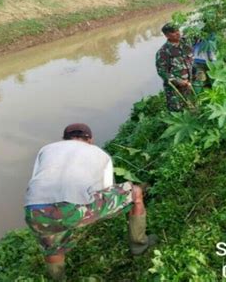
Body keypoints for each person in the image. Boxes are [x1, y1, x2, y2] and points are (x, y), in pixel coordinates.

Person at [24, 123, 157, 280]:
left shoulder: (45, 150)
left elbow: (35, 181)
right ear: (90, 140)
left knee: (52, 246)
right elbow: (106, 189)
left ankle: (58, 278)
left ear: (63, 139)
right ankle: (139, 246)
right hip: (75, 208)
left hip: (34, 210)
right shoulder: (100, 154)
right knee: (136, 193)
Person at [155, 23, 194, 111]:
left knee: (192, 107)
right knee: (177, 111)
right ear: (166, 35)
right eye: (173, 32)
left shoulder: (186, 43)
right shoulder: (163, 52)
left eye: (177, 30)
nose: (177, 33)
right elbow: (162, 71)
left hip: (190, 84)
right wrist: (178, 81)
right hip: (175, 89)